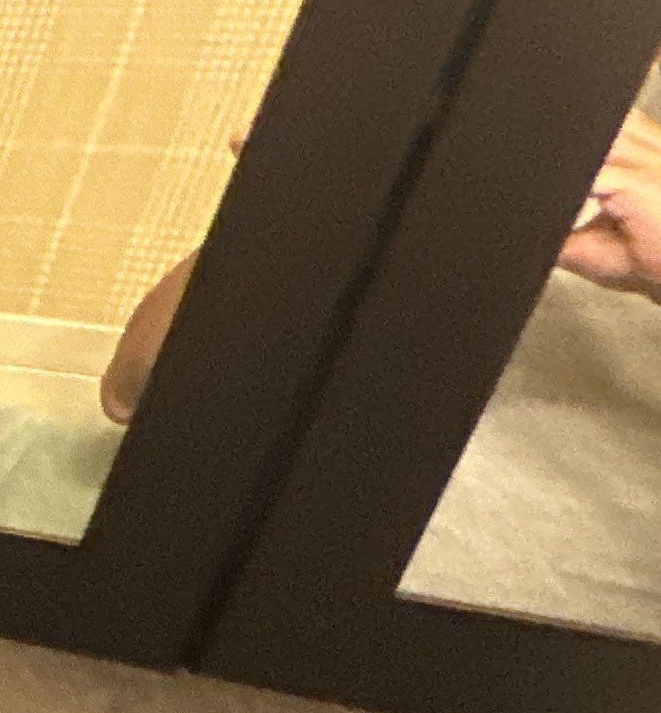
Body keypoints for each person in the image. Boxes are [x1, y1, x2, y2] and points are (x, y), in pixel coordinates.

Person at [99, 65, 661, 637]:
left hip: (548, 664)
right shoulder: (582, 61)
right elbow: (133, 391)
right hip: (222, 617)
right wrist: (289, 206)